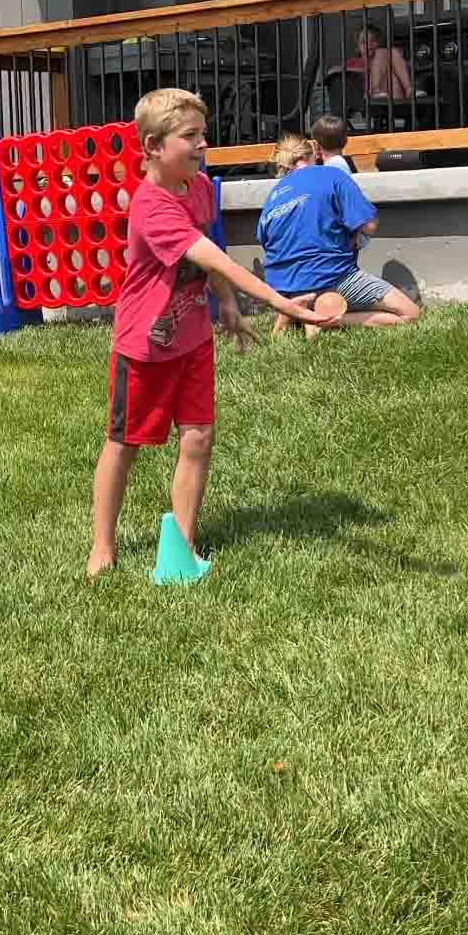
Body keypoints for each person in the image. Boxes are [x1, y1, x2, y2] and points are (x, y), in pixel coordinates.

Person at [86, 90, 334, 580]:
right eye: (190, 137)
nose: (203, 145)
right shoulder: (151, 207)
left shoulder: (197, 186)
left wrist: (224, 303)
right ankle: (102, 544)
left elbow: (207, 252)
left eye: (203, 134)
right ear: (154, 146)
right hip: (145, 346)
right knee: (124, 442)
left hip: (193, 338)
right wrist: (278, 302)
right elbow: (213, 256)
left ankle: (183, 546)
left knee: (197, 439)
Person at [257, 134, 420, 337]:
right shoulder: (331, 175)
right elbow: (368, 225)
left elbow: (265, 241)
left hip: (279, 285)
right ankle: (324, 321)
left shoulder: (273, 195)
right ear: (314, 154)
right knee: (410, 314)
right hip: (330, 274)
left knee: (310, 290)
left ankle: (297, 310)